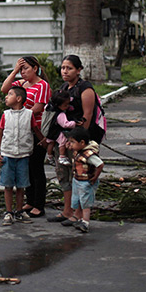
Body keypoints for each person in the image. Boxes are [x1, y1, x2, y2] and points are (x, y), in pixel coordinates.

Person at [48, 54, 101, 225]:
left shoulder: (85, 89)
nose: (65, 71)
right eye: (63, 67)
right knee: (65, 175)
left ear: (79, 70)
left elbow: (87, 115)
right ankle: (67, 210)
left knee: (80, 177)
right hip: (64, 140)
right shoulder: (65, 87)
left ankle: (78, 214)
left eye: (69, 68)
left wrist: (78, 145)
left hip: (80, 142)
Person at [0, 55, 51, 217]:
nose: (23, 72)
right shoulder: (21, 84)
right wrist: (14, 70)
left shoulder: (42, 85)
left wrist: (19, 112)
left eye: (26, 68)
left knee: (36, 168)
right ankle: (30, 200)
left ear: (35, 69)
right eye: (21, 69)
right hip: (22, 132)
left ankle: (39, 204)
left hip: (36, 130)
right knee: (26, 168)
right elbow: (4, 89)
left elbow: (37, 108)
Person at [0, 86, 44, 226]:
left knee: (21, 186)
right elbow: (0, 134)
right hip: (8, 155)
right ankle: (9, 212)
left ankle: (19, 211)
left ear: (18, 99)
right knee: (8, 185)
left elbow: (35, 130)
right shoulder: (5, 115)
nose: (6, 96)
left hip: (23, 156)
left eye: (10, 94)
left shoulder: (29, 115)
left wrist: (46, 143)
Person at [68, 127, 104, 233]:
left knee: (85, 201)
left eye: (73, 142)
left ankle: (85, 222)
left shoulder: (88, 155)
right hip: (77, 179)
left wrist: (95, 177)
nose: (71, 145)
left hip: (85, 182)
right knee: (77, 199)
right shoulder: (78, 151)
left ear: (82, 142)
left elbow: (100, 164)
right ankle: (79, 218)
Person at [44, 90, 76, 166]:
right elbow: (65, 124)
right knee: (63, 141)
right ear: (58, 105)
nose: (67, 106)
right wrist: (74, 123)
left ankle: (49, 157)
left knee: (51, 143)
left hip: (48, 130)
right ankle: (62, 157)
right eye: (66, 105)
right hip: (56, 131)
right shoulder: (60, 114)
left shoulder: (48, 107)